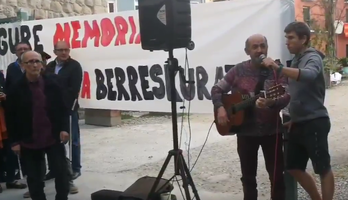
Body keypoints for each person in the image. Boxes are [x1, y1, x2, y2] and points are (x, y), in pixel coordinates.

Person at [211, 34, 290, 200]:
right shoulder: (238, 70)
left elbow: (286, 95)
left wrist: (271, 102)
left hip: (272, 131)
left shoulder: (276, 69)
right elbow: (217, 89)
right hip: (245, 132)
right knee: (248, 178)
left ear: (267, 48)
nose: (259, 50)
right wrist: (220, 108)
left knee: (277, 177)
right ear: (247, 51)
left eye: (262, 46)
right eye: (255, 47)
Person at [261, 21, 334, 200]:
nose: (287, 42)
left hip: (315, 121)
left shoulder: (312, 57)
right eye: (286, 38)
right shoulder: (297, 58)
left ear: (304, 39)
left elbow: (308, 75)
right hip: (299, 122)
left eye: (291, 38)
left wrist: (277, 67)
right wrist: (295, 116)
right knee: (293, 167)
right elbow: (297, 93)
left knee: (322, 168)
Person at [6, 51, 70, 200]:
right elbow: (11, 117)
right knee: (34, 178)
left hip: (53, 136)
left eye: (37, 61)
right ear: (23, 65)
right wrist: (15, 141)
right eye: (30, 62)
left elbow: (62, 108)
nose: (34, 65)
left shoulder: (53, 82)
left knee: (61, 172)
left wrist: (64, 128)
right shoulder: (16, 88)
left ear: (42, 64)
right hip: (29, 139)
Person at [45, 41, 83, 180]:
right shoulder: (49, 66)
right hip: (52, 110)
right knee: (52, 140)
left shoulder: (74, 66)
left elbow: (74, 89)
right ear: (55, 51)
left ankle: (75, 168)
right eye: (60, 50)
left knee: (73, 139)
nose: (64, 53)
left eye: (66, 50)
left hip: (68, 108)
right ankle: (54, 168)